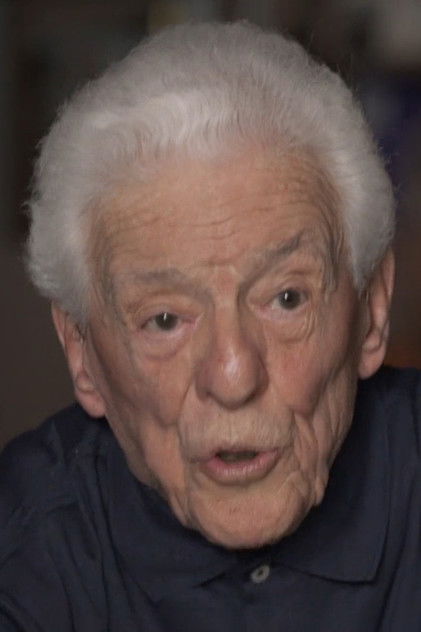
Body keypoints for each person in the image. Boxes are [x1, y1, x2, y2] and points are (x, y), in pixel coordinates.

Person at [0, 21, 419, 631]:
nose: (233, 375)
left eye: (286, 298)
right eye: (165, 320)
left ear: (372, 309)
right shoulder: (22, 556)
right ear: (81, 354)